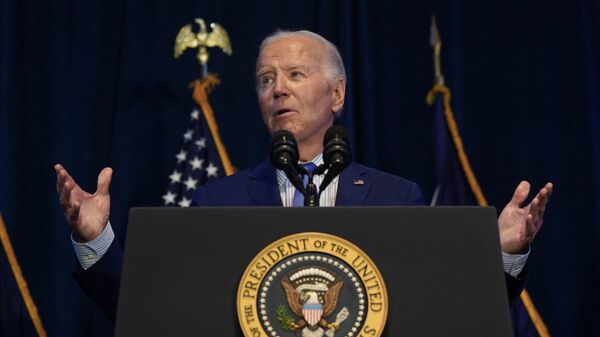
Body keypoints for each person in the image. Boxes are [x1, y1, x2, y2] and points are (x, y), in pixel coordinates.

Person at [54, 30, 553, 323]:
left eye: (295, 75)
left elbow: (447, 309)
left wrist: (505, 255)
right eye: (266, 80)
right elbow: (152, 311)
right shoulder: (218, 200)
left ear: (336, 95)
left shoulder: (394, 196)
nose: (277, 90)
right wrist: (96, 240)